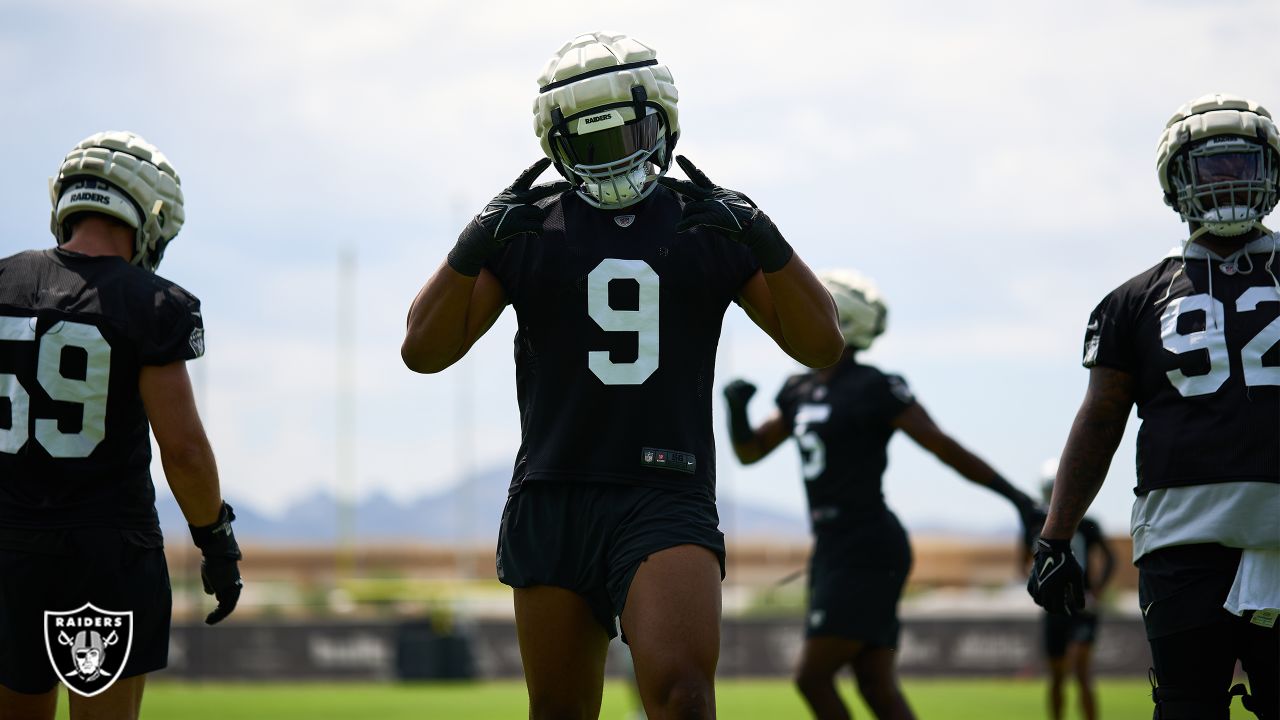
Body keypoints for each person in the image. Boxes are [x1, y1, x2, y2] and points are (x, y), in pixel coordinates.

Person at [401, 31, 843, 720]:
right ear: (557, 144)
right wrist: (475, 237)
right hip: (554, 490)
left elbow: (822, 344)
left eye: (628, 133)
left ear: (663, 121)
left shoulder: (710, 224)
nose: (615, 158)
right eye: (593, 143)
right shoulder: (525, 228)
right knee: (559, 712)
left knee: (682, 698)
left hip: (663, 487)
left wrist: (760, 230)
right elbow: (422, 350)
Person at [1027, 93, 1280, 720]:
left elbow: (1101, 419)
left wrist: (1054, 537)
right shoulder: (1131, 301)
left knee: (1187, 708)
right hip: (1186, 537)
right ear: (1177, 184)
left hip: (1183, 537)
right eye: (1212, 169)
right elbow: (1103, 417)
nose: (1228, 183)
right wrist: (1057, 535)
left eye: (1242, 165)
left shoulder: (1132, 298)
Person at [722, 269, 1044, 720]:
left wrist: (1019, 499)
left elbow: (943, 446)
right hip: (835, 545)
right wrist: (736, 410)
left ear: (838, 318)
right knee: (874, 683)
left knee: (812, 679)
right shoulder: (798, 388)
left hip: (865, 542)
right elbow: (751, 452)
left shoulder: (873, 386)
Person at [0, 131, 243, 720]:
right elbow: (182, 449)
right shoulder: (150, 301)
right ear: (150, 214)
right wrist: (215, 540)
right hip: (105, 554)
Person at [1022, 461, 1115, 720]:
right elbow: (1024, 563)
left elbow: (1110, 558)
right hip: (1053, 606)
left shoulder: (1086, 524)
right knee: (1057, 676)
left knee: (1082, 673)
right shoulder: (1036, 525)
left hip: (1083, 604)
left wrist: (1097, 589)